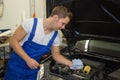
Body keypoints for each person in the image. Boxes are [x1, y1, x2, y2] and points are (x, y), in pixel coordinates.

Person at [4, 6, 73, 80]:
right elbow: (13, 41)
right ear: (55, 17)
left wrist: (71, 64)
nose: (63, 27)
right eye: (63, 23)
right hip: (16, 68)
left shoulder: (55, 36)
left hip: (32, 71)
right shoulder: (31, 24)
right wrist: (28, 60)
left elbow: (56, 55)